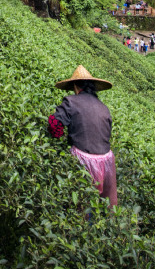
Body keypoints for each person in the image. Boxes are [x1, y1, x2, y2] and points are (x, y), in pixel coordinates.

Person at [47, 66, 118, 205]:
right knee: (104, 206)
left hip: (85, 159)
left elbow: (54, 122)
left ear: (75, 86)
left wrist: (58, 137)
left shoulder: (71, 102)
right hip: (107, 160)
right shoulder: (103, 107)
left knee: (82, 204)